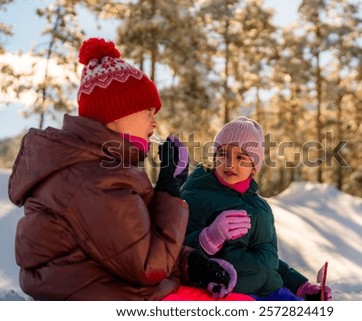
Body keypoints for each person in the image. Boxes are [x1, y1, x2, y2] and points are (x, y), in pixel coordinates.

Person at [7, 37, 251, 301]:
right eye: (148, 111)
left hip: (119, 288)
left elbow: (133, 241)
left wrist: (192, 265)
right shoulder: (91, 178)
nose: (154, 123)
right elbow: (148, 266)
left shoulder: (101, 169)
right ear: (118, 113)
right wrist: (168, 190)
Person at [181, 116, 332, 301]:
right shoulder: (198, 195)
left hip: (271, 292)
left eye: (240, 157)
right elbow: (176, 251)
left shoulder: (260, 208)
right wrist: (209, 237)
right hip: (231, 293)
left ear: (254, 167)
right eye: (222, 154)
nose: (229, 163)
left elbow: (267, 262)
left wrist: (300, 286)